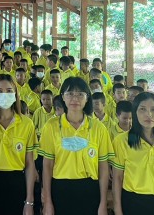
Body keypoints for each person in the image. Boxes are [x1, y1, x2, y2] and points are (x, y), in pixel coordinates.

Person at [39, 77, 113, 215]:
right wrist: (48, 201)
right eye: (70, 93)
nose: (75, 98)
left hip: (89, 189)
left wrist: (103, 203)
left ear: (87, 98)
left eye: (80, 94)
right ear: (62, 97)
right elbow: (47, 165)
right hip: (60, 189)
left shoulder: (98, 128)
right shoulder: (51, 126)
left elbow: (103, 168)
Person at [0, 74, 38, 215]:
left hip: (16, 182)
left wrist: (29, 201)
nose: (5, 95)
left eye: (9, 91)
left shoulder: (26, 123)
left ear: (16, 93)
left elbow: (29, 164)